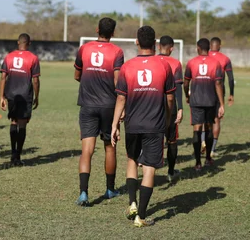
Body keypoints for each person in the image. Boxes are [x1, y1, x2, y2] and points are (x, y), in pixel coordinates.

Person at [111, 26, 175, 227]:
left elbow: (121, 98)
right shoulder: (164, 66)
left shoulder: (127, 67)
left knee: (131, 159)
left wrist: (114, 125)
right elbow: (171, 98)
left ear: (137, 42)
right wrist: (168, 119)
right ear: (155, 43)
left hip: (132, 124)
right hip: (155, 125)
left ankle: (132, 203)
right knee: (149, 168)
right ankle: (142, 216)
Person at [74, 17, 124, 206]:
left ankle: (84, 193)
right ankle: (110, 189)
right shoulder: (117, 52)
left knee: (86, 150)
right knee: (109, 147)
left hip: (87, 105)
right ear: (113, 33)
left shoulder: (84, 48)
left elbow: (77, 75)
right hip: (109, 106)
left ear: (97, 30)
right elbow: (118, 82)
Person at [184, 38, 225, 171]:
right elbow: (218, 83)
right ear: (209, 48)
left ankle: (197, 163)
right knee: (208, 127)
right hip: (210, 100)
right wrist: (222, 104)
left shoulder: (191, 62)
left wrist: (187, 95)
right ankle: (208, 158)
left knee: (197, 129)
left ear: (197, 48)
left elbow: (186, 82)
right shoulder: (216, 63)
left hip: (196, 100)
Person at [0, 33, 40, 167]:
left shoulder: (9, 56)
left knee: (13, 122)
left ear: (18, 42)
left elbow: (3, 77)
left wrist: (1, 96)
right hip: (25, 95)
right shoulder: (33, 58)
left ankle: (12, 153)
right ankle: (18, 156)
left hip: (11, 94)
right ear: (29, 43)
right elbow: (35, 80)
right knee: (22, 125)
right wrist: (37, 96)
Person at [158, 36, 183, 182]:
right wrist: (180, 108)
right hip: (170, 106)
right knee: (172, 140)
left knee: (153, 138)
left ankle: (147, 167)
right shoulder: (175, 64)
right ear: (172, 48)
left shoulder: (152, 61)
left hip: (152, 106)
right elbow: (178, 88)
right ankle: (171, 172)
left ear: (158, 46)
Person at [205, 37, 235, 157]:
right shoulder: (225, 59)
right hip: (218, 92)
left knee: (204, 118)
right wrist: (231, 94)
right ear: (220, 46)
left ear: (210, 45)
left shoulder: (203, 56)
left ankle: (203, 142)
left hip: (203, 91)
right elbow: (231, 78)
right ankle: (212, 149)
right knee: (216, 119)